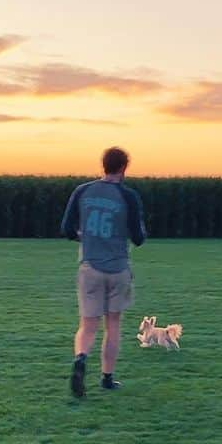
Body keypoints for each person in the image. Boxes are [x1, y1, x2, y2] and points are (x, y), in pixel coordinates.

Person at [60, 146, 147, 397]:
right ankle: (107, 378)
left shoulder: (82, 191)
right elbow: (138, 237)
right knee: (113, 325)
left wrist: (86, 238)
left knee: (87, 325)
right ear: (123, 168)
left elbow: (66, 228)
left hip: (89, 266)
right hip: (118, 267)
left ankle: (80, 359)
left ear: (103, 165)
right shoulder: (128, 196)